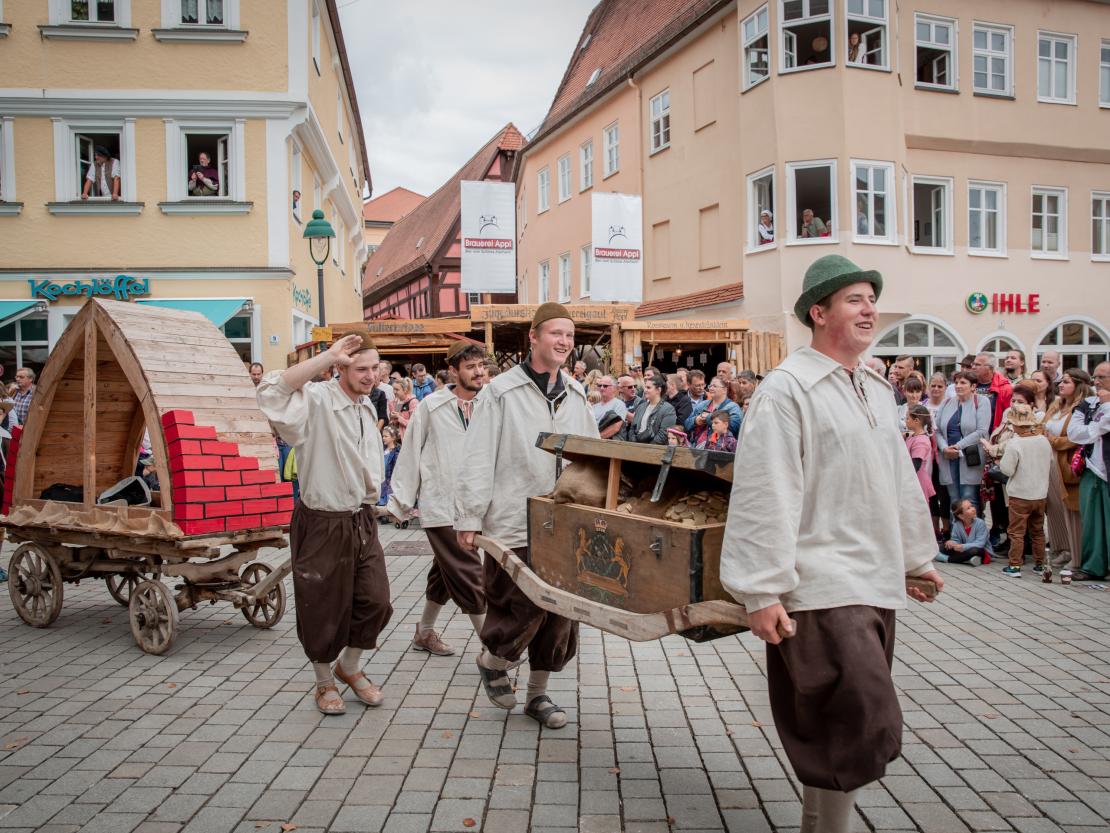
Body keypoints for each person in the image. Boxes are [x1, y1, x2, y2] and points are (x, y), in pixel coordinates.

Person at [719, 253, 942, 833]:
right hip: (817, 582)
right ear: (819, 313)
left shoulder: (875, 387)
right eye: (853, 299)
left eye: (871, 298)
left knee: (836, 727)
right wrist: (761, 590)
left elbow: (897, 480)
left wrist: (916, 558)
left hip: (876, 575)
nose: (868, 309)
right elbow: (766, 492)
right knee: (862, 716)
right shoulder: (787, 390)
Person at [455, 302, 599, 729]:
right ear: (534, 337)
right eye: (556, 333)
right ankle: (494, 658)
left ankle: (537, 696)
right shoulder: (501, 393)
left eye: (570, 336)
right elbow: (478, 457)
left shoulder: (575, 395)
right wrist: (470, 517)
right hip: (514, 518)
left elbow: (591, 457)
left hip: (564, 522)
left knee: (560, 615)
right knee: (519, 605)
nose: (564, 342)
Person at [256, 333, 393, 716]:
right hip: (322, 520)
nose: (370, 376)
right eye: (361, 368)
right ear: (340, 368)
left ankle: (348, 667)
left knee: (376, 602)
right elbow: (271, 392)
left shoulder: (367, 407)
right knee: (321, 606)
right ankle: (323, 683)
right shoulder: (315, 401)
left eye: (374, 368)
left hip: (362, 519)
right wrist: (326, 355)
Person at [388, 342, 489, 656]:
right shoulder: (431, 406)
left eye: (481, 365)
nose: (479, 372)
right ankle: (494, 650)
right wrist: (400, 502)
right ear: (455, 371)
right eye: (471, 366)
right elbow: (410, 452)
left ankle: (425, 633)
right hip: (441, 504)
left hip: (477, 504)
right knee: (470, 574)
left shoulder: (492, 404)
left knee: (443, 574)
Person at [996, 403, 1053, 578]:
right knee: (1037, 530)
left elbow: (1007, 470)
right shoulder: (1043, 440)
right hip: (1040, 494)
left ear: (1015, 425)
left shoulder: (1015, 443)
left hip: (1020, 495)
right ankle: (1039, 563)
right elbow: (1050, 461)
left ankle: (1014, 565)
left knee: (1016, 531)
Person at [1043, 368, 1091, 569]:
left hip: (1066, 461)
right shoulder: (1056, 405)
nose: (1061, 385)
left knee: (1071, 508)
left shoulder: (1082, 407)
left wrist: (1053, 441)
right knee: (1054, 507)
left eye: (1067, 382)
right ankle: (1062, 548)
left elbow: (1075, 438)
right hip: (1049, 460)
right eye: (1061, 382)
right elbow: (1042, 427)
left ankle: (1077, 553)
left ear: (1078, 385)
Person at [1067, 361, 1110, 580]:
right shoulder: (1088, 404)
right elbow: (1075, 433)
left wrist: (1106, 409)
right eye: (1095, 377)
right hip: (1091, 467)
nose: (1098, 381)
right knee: (1091, 520)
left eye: (1103, 377)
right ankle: (1093, 565)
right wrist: (1098, 427)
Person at [936, 371, 991, 520]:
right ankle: (956, 537)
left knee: (969, 497)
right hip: (948, 457)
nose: (958, 386)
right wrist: (944, 448)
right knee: (954, 499)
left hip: (970, 457)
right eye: (957, 382)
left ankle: (973, 538)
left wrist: (957, 446)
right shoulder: (947, 402)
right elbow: (937, 430)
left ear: (973, 386)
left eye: (963, 383)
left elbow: (981, 431)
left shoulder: (981, 401)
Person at [619, 373, 676, 444]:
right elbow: (632, 429)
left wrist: (647, 447)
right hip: (635, 447)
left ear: (658, 390)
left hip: (655, 450)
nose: (645, 390)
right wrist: (635, 444)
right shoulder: (641, 407)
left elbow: (663, 434)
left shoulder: (668, 409)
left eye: (648, 388)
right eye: (645, 387)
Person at [686, 376, 743, 445]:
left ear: (724, 390)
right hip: (696, 447)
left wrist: (708, 418)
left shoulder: (733, 407)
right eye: (710, 386)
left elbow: (734, 426)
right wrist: (695, 420)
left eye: (715, 386)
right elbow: (686, 423)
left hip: (719, 448)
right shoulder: (703, 404)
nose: (711, 388)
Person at [935, 499, 991, 566]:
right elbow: (956, 540)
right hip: (964, 550)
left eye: (972, 506)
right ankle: (969, 559)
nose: (973, 509)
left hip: (981, 551)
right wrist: (952, 543)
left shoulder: (980, 523)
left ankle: (948, 559)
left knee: (974, 550)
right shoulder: (957, 524)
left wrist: (963, 547)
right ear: (961, 516)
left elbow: (980, 544)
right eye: (968, 508)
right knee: (942, 547)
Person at [972, 353, 1013, 432]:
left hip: (993, 435)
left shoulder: (1005, 388)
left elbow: (1008, 417)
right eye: (973, 364)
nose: (973, 367)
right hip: (970, 436)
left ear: (990, 368)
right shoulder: (970, 384)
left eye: (977, 365)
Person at [905, 404, 935, 503]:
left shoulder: (921, 441)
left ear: (916, 421)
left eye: (907, 418)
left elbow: (915, 465)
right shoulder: (913, 436)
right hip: (913, 480)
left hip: (917, 481)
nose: (905, 421)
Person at [593, 375, 627, 439]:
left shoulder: (619, 405)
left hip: (609, 443)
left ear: (614, 388)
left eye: (605, 386)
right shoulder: (594, 406)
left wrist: (597, 438)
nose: (602, 388)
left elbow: (615, 428)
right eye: (600, 385)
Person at [377, 426, 400, 510]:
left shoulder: (396, 451)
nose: (383, 438)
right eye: (383, 436)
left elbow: (396, 468)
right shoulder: (383, 450)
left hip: (389, 480)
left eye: (386, 436)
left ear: (393, 438)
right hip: (382, 479)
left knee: (388, 498)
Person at [389, 377, 418, 441]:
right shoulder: (393, 402)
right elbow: (392, 423)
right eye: (393, 389)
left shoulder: (413, 402)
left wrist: (399, 417)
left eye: (397, 389)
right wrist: (392, 418)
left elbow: (414, 424)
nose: (394, 392)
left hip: (407, 439)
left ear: (405, 390)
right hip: (395, 439)